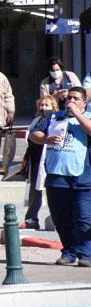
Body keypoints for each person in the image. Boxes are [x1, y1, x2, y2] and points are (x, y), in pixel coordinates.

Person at [28, 87, 91, 267]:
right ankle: (69, 252)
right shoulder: (55, 116)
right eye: (68, 97)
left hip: (83, 177)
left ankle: (86, 253)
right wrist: (45, 139)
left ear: (84, 103)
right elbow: (34, 134)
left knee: (84, 217)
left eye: (75, 98)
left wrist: (77, 114)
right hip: (57, 176)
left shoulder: (87, 116)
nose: (70, 101)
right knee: (61, 218)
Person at [21, 95, 58, 230]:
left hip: (48, 159)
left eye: (46, 105)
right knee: (34, 191)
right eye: (41, 105)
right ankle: (31, 219)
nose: (43, 108)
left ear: (53, 107)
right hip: (34, 159)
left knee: (51, 190)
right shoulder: (37, 120)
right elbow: (31, 136)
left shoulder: (55, 120)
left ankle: (55, 219)